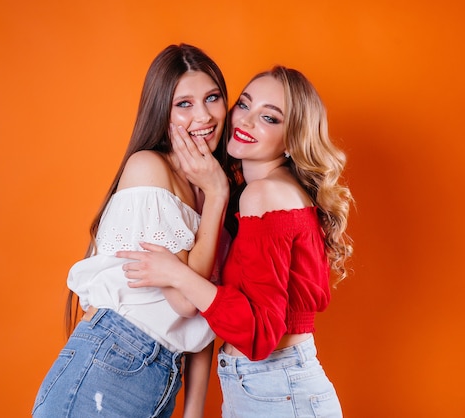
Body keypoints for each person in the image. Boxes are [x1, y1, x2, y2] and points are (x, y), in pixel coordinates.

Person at [117, 66, 353, 417]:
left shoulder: (264, 195)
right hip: (279, 387)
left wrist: (178, 275)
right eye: (244, 105)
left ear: (293, 139)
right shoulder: (280, 192)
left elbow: (261, 334)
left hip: (276, 389)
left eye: (270, 118)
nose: (246, 121)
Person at [32, 43, 235, 418]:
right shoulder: (150, 168)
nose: (204, 116)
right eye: (184, 104)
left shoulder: (212, 187)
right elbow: (185, 301)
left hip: (161, 378)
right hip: (109, 363)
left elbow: (205, 314)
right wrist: (218, 192)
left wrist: (193, 412)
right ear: (162, 111)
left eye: (212, 98)